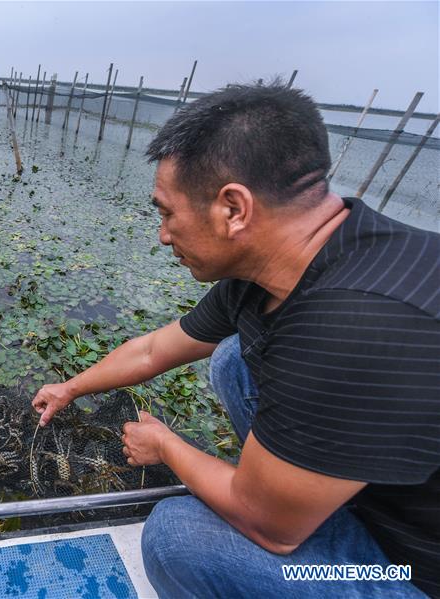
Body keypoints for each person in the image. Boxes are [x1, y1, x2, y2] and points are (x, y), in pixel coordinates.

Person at [31, 83, 439, 597]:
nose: (162, 234)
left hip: (404, 568)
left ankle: (295, 498)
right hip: (372, 488)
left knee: (177, 535)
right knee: (233, 359)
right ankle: (301, 488)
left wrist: (166, 446)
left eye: (166, 211)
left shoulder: (353, 325)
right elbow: (157, 348)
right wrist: (71, 387)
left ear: (233, 208)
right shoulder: (293, 264)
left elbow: (270, 528)